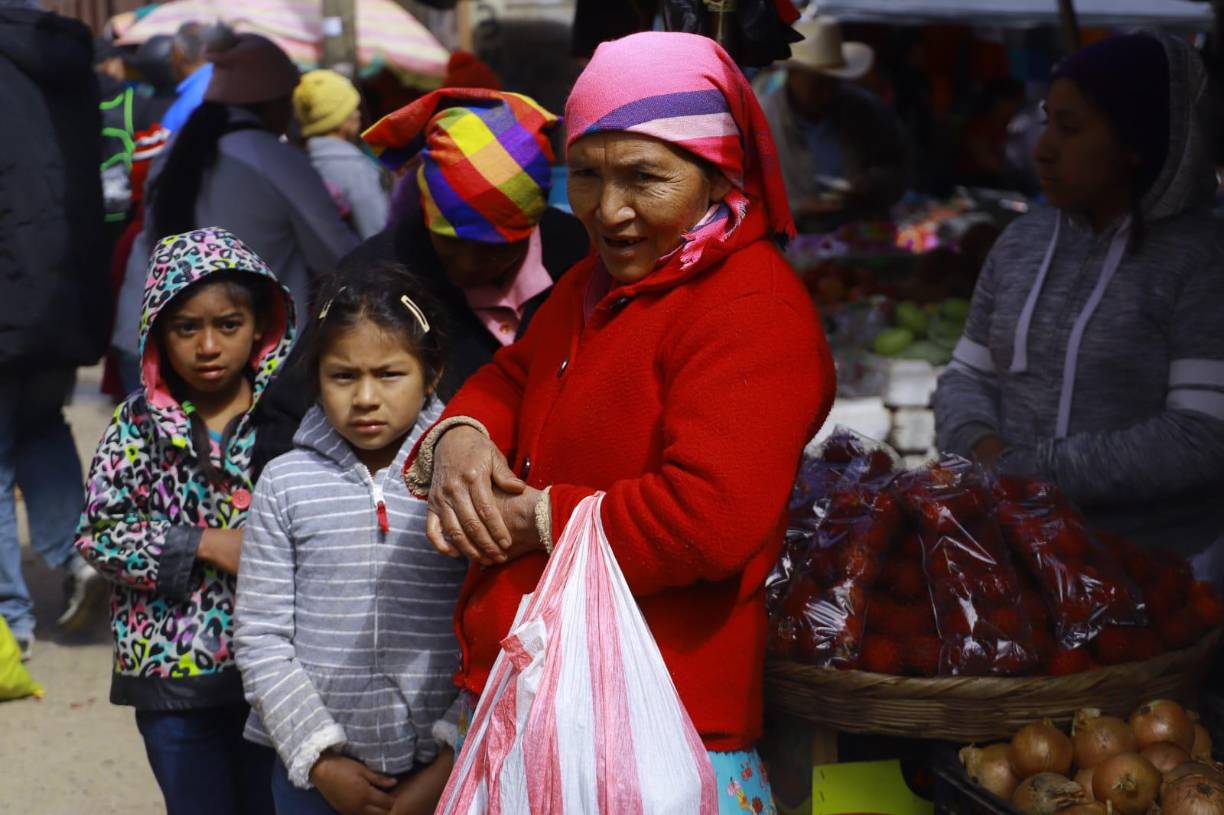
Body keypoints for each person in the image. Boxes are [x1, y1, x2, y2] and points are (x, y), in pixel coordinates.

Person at [405, 31, 834, 808]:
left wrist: (536, 517)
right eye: (588, 176)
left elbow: (708, 517)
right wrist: (461, 437)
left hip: (658, 721)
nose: (609, 210)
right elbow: (510, 373)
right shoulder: (590, 284)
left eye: (645, 178)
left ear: (715, 173)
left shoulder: (751, 310)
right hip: (544, 700)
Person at [933, 32, 1224, 586]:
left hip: (1160, 576)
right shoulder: (1020, 242)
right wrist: (985, 452)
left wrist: (1028, 470)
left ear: (1136, 142)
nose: (1042, 148)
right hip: (1017, 556)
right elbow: (965, 377)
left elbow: (1202, 435)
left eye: (1070, 129)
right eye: (1047, 122)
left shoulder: (1204, 262)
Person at [248, 89, 588, 474]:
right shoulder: (375, 274)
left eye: (493, 249)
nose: (468, 264)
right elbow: (288, 414)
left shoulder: (580, 261)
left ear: (531, 226)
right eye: (450, 243)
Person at [75, 227, 295, 814]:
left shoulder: (291, 420)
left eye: (228, 325)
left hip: (275, 678)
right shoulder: (137, 426)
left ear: (261, 326)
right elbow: (100, 532)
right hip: (173, 680)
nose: (208, 346)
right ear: (156, 335)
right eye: (185, 328)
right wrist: (204, 543)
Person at [236, 264, 467, 815]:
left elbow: (493, 631)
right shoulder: (285, 482)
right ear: (316, 376)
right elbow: (261, 636)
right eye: (343, 376)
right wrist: (319, 760)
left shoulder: (459, 475)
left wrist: (449, 760)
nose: (365, 397)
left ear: (431, 373)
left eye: (389, 374)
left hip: (444, 773)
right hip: (313, 783)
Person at [111, 33, 358, 395]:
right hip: (243, 362)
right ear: (273, 103)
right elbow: (336, 255)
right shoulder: (276, 160)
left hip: (156, 345)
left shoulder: (174, 152)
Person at [0, 0, 110, 659]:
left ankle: (9, 621)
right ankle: (80, 557)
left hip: (9, 290)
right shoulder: (66, 62)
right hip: (65, 291)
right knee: (41, 425)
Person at [756, 15, 910, 231]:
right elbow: (745, 196)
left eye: (833, 82)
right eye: (818, 84)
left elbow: (899, 168)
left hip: (858, 237)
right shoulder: (762, 119)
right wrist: (797, 209)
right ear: (793, 75)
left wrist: (872, 184)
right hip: (791, 245)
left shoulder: (867, 110)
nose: (827, 93)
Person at [293, 69, 389, 239]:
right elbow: (376, 233)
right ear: (341, 119)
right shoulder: (355, 169)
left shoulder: (295, 162)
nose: (358, 114)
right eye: (352, 109)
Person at [957, 76, 1028, 190]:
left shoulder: (1008, 125)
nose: (1016, 108)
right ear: (1000, 101)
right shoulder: (981, 124)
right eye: (1014, 102)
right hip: (975, 182)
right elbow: (983, 157)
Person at [160, 22, 213, 133]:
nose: (170, 60)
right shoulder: (235, 80)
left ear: (179, 53)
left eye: (171, 53)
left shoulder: (181, 110)